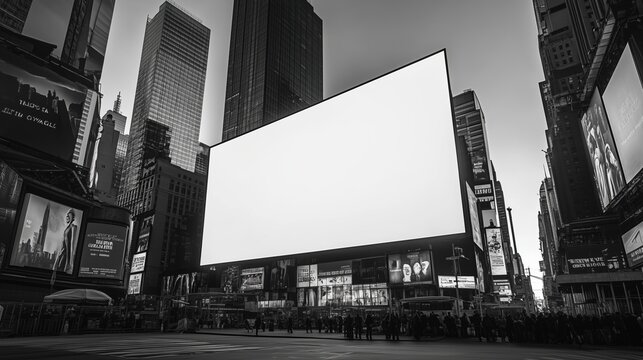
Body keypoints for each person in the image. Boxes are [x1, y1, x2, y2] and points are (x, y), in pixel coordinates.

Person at [54, 209, 77, 273]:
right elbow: (62, 242)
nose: (67, 216)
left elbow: (72, 244)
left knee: (62, 270)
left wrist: (71, 262)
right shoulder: (66, 228)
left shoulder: (73, 227)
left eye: (69, 215)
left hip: (66, 255)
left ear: (72, 217)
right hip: (62, 253)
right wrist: (59, 255)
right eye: (66, 215)